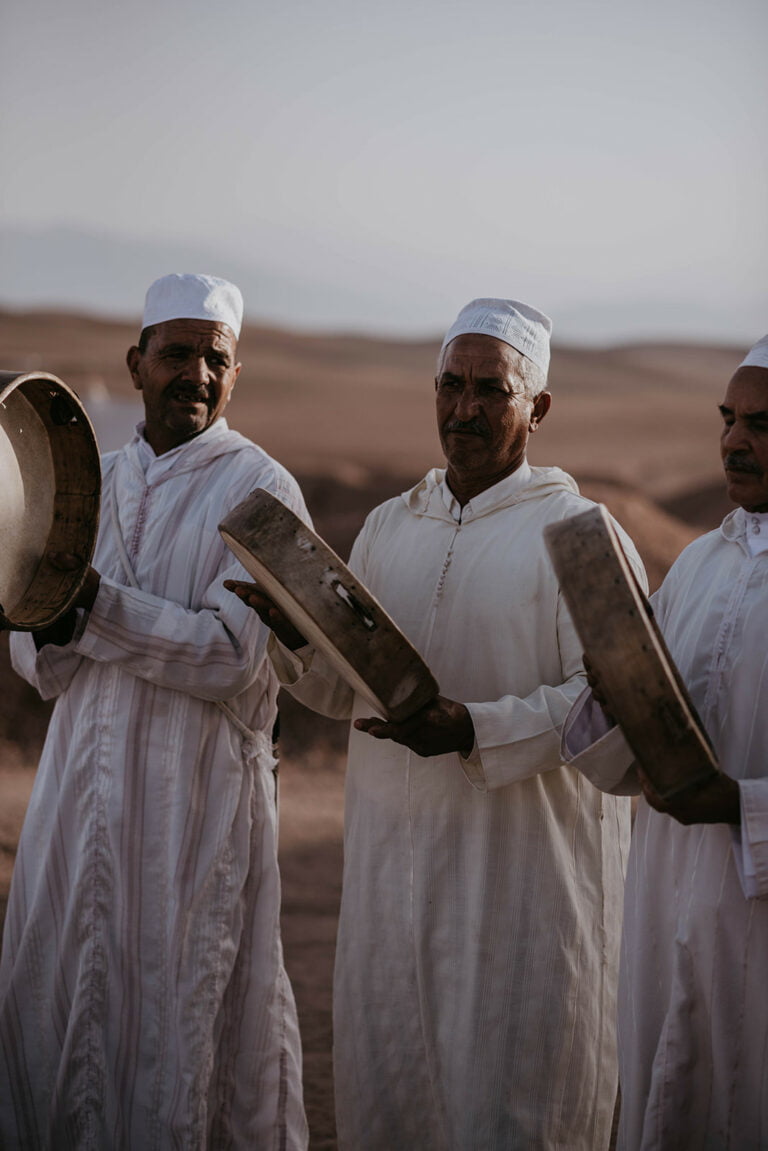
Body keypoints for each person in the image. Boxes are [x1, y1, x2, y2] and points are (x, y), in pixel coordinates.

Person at [227, 298, 647, 1150]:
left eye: (491, 389)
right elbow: (354, 693)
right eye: (450, 385)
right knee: (394, 1099)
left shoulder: (580, 535)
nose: (464, 409)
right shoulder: (390, 525)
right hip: (391, 888)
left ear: (540, 408)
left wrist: (474, 729)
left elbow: (619, 709)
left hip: (525, 902)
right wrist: (296, 644)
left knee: (516, 1107)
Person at [0, 274, 309, 1148]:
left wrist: (89, 607)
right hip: (79, 798)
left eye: (217, 359)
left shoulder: (265, 492)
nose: (197, 375)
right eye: (177, 354)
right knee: (58, 997)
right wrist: (49, 621)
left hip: (194, 806)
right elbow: (38, 660)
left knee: (184, 1022)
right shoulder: (82, 481)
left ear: (237, 372)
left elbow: (231, 654)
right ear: (136, 364)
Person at [562, 334, 768, 1149]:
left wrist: (741, 805)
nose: (734, 440)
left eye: (761, 422)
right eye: (727, 419)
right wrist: (615, 694)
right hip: (665, 905)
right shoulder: (698, 566)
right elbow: (629, 757)